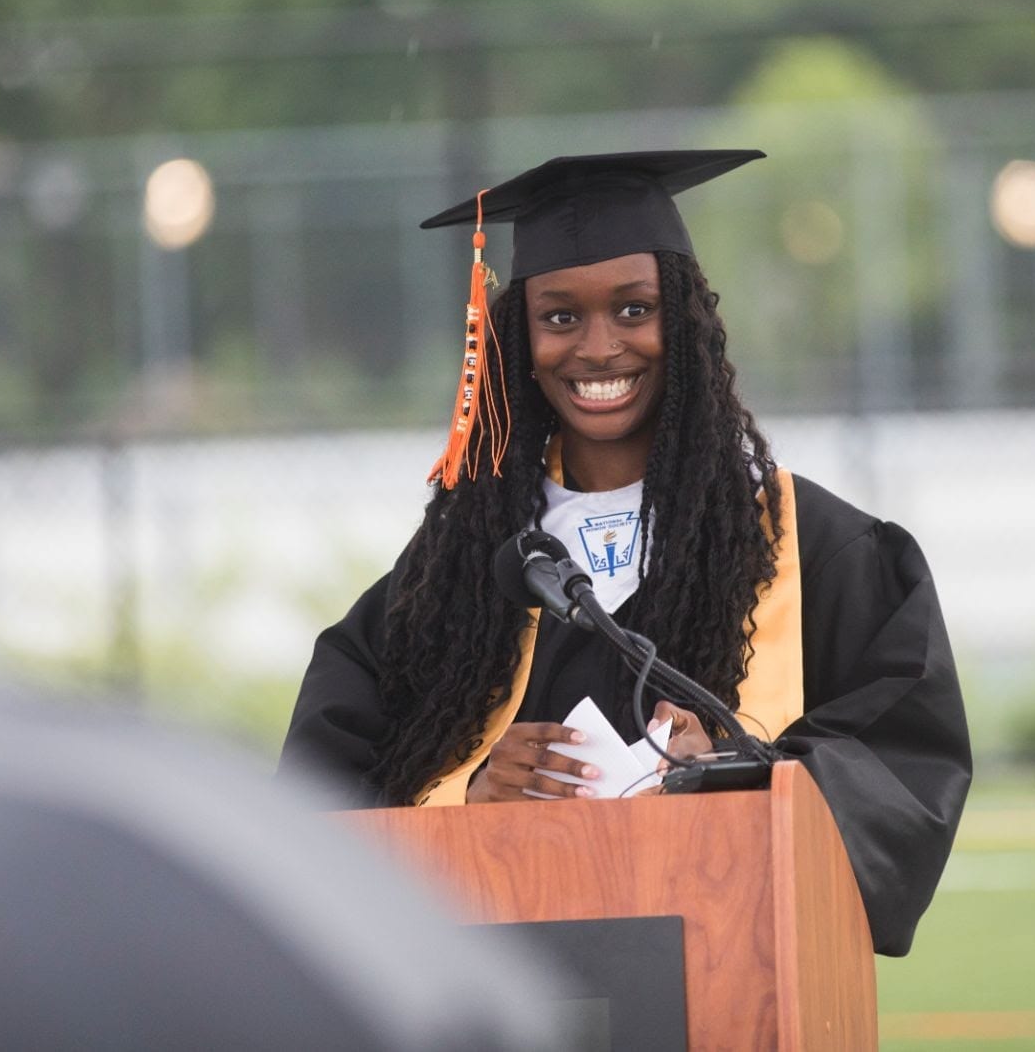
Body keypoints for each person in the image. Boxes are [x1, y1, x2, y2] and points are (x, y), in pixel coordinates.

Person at [279, 149, 970, 957]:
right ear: (520, 337)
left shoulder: (812, 544)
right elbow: (315, 799)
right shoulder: (464, 565)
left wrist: (743, 775)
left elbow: (905, 765)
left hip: (727, 964)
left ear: (680, 320)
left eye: (634, 309)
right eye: (561, 316)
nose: (599, 347)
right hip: (514, 971)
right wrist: (464, 797)